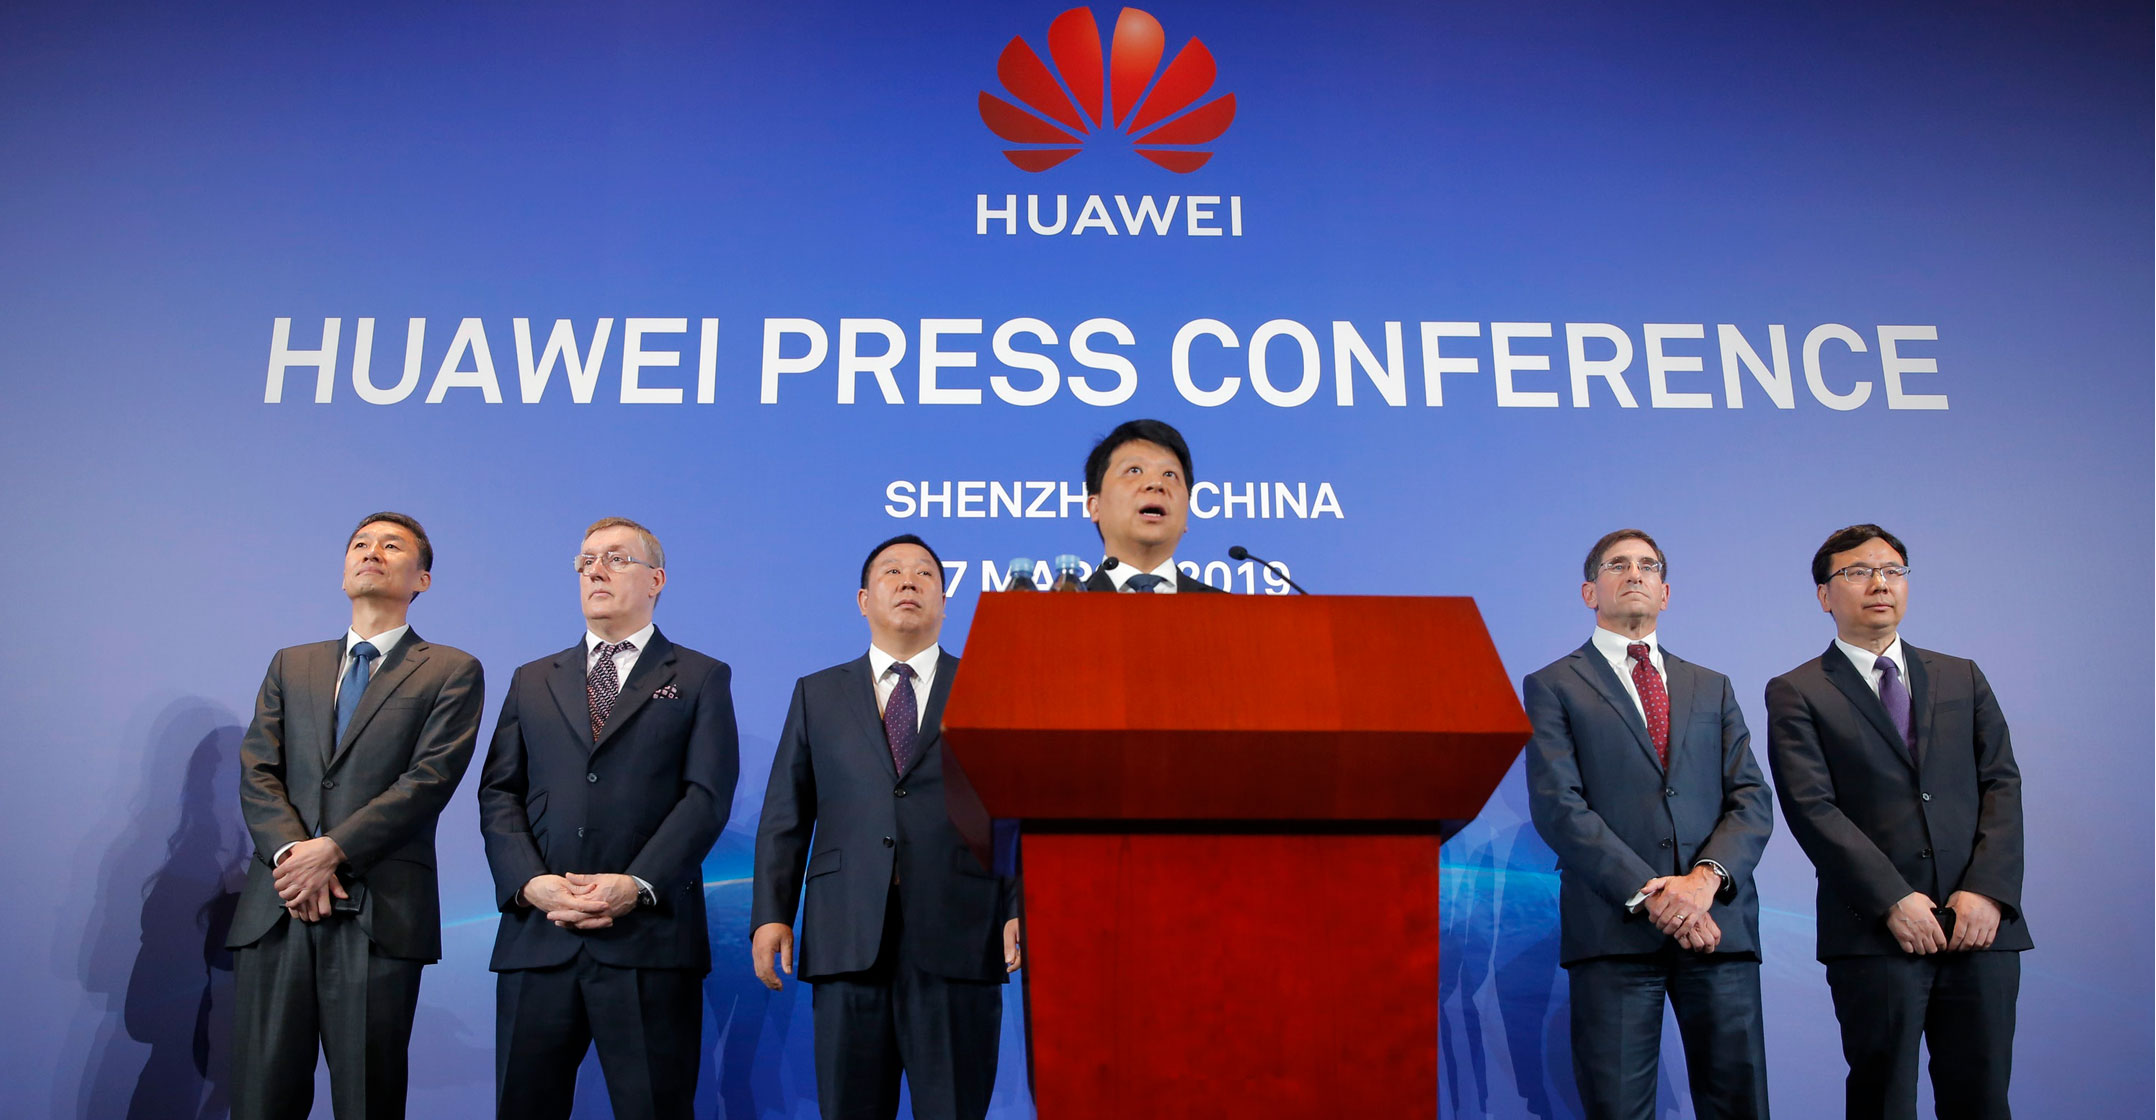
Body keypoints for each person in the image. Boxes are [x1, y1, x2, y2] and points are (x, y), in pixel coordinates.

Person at [751, 534, 1022, 1120]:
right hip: (846, 936)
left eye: (924, 574)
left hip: (960, 934)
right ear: (862, 600)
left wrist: (1016, 906)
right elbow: (786, 815)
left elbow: (1013, 811)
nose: (908, 582)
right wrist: (772, 914)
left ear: (944, 602)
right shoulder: (817, 694)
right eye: (892, 572)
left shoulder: (989, 685)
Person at [478, 517, 739, 1120]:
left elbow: (705, 797)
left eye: (616, 559)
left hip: (649, 941)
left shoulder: (699, 676)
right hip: (539, 937)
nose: (595, 570)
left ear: (656, 580)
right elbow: (499, 791)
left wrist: (637, 884)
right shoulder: (532, 679)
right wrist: (529, 883)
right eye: (586, 560)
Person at [228, 512, 486, 1120]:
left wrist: (333, 850)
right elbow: (258, 769)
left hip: (379, 912)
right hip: (280, 905)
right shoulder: (292, 664)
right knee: (261, 1099)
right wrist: (294, 855)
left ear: (421, 579)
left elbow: (429, 780)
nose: (372, 553)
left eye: (391, 546)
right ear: (344, 569)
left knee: (368, 1100)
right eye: (360, 544)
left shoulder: (451, 669)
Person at [1766, 524, 2028, 1120]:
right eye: (1858, 572)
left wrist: (1987, 892)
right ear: (1824, 595)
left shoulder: (1962, 675)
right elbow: (1812, 807)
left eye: (1892, 571)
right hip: (1875, 931)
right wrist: (1892, 900)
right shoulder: (1797, 690)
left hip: (1979, 927)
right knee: (1883, 1100)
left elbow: (2002, 784)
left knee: (1983, 1099)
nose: (1879, 584)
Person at [1523, 528, 1774, 1119]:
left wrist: (1703, 882)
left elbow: (1751, 797)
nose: (1634, 573)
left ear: (1666, 592)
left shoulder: (1711, 686)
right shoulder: (1553, 685)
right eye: (1617, 565)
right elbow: (1559, 806)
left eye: (1648, 565)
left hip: (1718, 926)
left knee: (1739, 1106)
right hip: (1615, 931)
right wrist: (1654, 895)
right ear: (1590, 591)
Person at [1079, 418, 1221, 592]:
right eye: (1134, 470)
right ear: (1095, 507)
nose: (1156, 483)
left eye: (1169, 474)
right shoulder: (1062, 605)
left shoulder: (1228, 607)